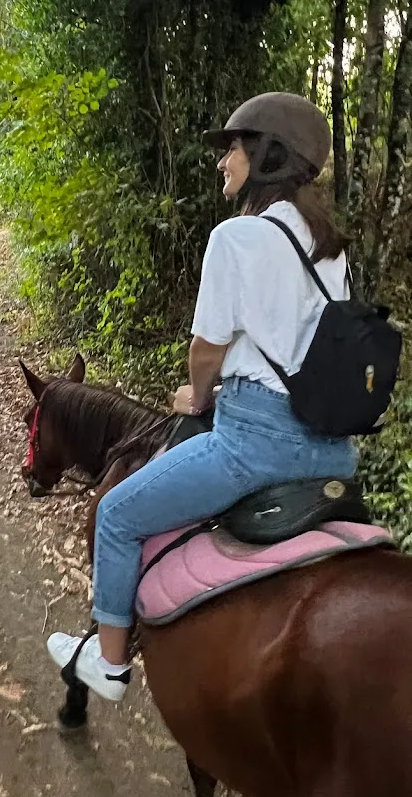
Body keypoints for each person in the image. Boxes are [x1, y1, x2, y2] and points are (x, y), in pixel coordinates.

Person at [47, 92, 357, 701]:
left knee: (115, 516)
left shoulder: (236, 237)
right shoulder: (332, 246)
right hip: (332, 451)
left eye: (232, 149)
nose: (222, 162)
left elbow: (206, 349)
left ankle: (109, 665)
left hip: (253, 444)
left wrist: (198, 394)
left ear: (267, 156)